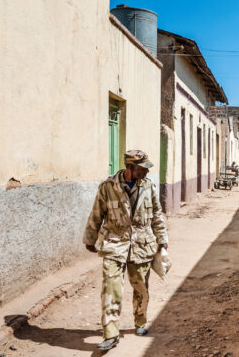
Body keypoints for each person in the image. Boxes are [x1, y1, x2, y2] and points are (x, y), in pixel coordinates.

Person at [83, 150, 169, 351]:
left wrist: (162, 238)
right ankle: (110, 334)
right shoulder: (108, 186)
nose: (146, 172)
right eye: (142, 168)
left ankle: (140, 321)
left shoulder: (148, 186)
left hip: (141, 243)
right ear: (130, 167)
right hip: (115, 242)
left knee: (141, 287)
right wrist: (90, 237)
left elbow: (156, 213)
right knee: (110, 288)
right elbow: (97, 212)